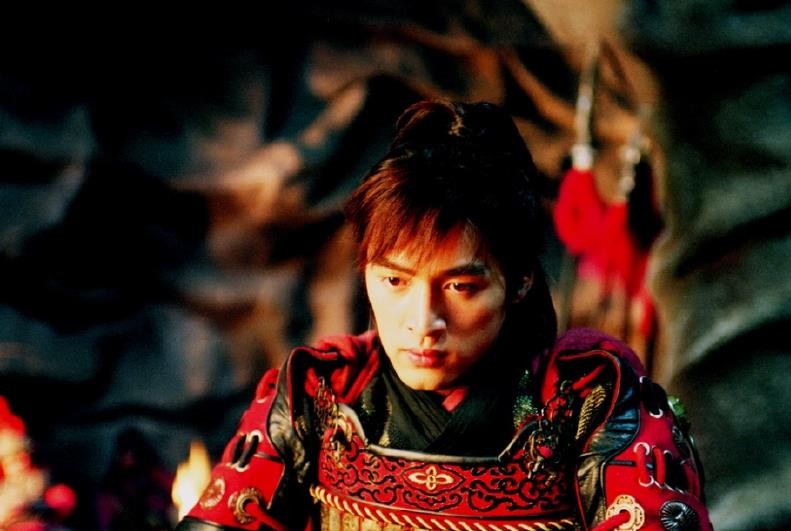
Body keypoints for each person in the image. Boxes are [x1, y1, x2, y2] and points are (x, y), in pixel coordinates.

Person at [176, 100, 711, 531]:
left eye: (460, 287)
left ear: (520, 280)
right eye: (394, 281)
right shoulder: (315, 394)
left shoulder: (591, 400)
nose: (423, 321)